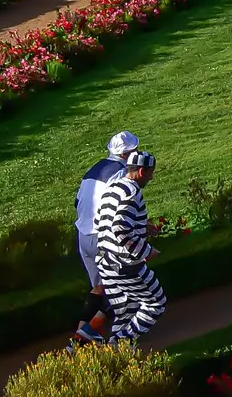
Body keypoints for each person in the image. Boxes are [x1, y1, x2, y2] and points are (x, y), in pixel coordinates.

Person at [70, 130, 138, 346]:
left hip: (83, 235)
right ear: (127, 154)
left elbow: (77, 201)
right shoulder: (120, 174)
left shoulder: (93, 169)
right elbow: (120, 209)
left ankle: (79, 337)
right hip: (104, 237)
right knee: (122, 290)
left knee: (99, 288)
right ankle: (88, 333)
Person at [90, 149, 165, 344]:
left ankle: (119, 356)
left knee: (125, 311)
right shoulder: (132, 192)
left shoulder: (113, 187)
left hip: (105, 261)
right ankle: (116, 345)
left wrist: (142, 226)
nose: (151, 177)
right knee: (156, 303)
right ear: (141, 172)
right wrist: (147, 251)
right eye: (150, 173)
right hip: (125, 265)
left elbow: (101, 221)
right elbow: (120, 229)